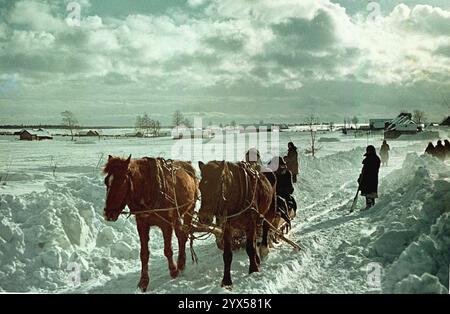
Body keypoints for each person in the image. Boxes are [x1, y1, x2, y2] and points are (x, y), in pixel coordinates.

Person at [267, 156, 297, 229]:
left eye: (282, 166)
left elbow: (290, 188)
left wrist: (282, 190)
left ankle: (284, 218)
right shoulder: (270, 174)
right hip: (271, 195)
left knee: (283, 203)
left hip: (283, 195)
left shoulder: (287, 174)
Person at [358, 145, 381, 210]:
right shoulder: (375, 158)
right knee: (370, 192)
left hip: (369, 178)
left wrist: (362, 176)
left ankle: (369, 206)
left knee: (369, 192)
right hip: (372, 178)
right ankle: (371, 206)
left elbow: (369, 169)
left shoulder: (371, 159)